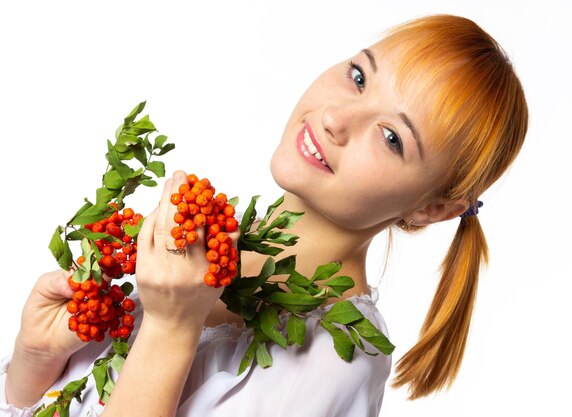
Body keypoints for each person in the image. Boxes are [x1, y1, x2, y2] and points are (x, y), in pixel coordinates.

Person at [0, 14, 527, 417]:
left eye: (392, 138)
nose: (335, 117)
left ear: (433, 207)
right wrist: (34, 360)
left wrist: (170, 329)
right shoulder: (205, 248)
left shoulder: (337, 360)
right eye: (359, 76)